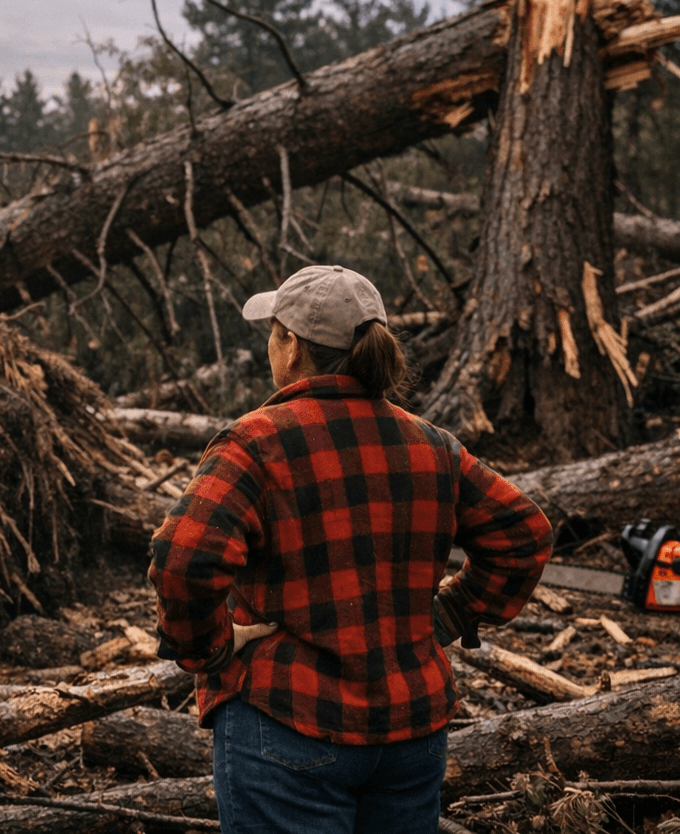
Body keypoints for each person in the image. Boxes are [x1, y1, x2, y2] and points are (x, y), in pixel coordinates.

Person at [149, 265, 552, 834]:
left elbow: (183, 559)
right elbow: (525, 533)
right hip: (411, 734)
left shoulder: (255, 442)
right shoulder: (431, 444)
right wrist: (453, 612)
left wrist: (208, 649)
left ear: (290, 346)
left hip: (287, 723)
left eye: (273, 332)